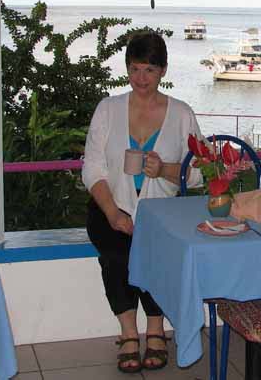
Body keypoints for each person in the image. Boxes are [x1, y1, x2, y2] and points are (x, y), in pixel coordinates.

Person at [82, 31, 202, 374]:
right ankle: (128, 333)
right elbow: (92, 168)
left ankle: (155, 329)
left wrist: (163, 169)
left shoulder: (181, 114)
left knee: (157, 254)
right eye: (134, 69)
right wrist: (112, 212)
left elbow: (199, 174)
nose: (141, 79)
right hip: (109, 207)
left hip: (162, 216)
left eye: (149, 70)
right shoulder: (108, 109)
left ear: (163, 70)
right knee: (117, 255)